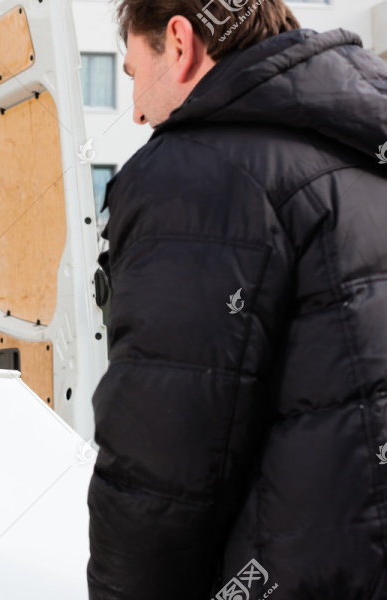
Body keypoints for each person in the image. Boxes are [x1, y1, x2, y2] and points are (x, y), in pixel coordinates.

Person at [87, 0, 387, 598]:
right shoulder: (362, 149)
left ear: (179, 43)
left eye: (131, 75)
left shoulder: (194, 174)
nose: (140, 114)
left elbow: (160, 474)